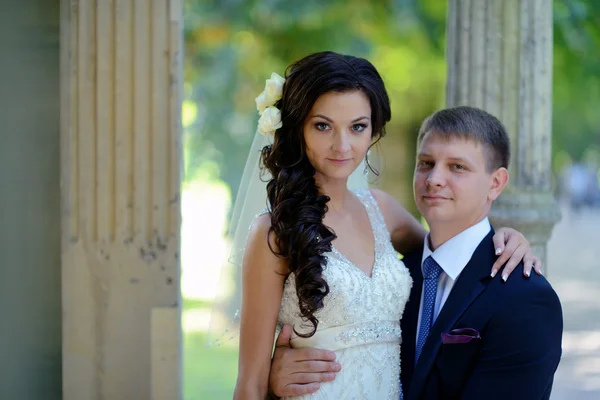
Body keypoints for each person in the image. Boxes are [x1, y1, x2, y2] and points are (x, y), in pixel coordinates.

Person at [233, 52, 541, 400]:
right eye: (322, 126)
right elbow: (250, 384)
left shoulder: (381, 211)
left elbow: (448, 258)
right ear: (297, 128)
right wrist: (274, 372)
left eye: (357, 127)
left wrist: (506, 239)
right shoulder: (274, 232)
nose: (342, 145)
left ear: (373, 130)